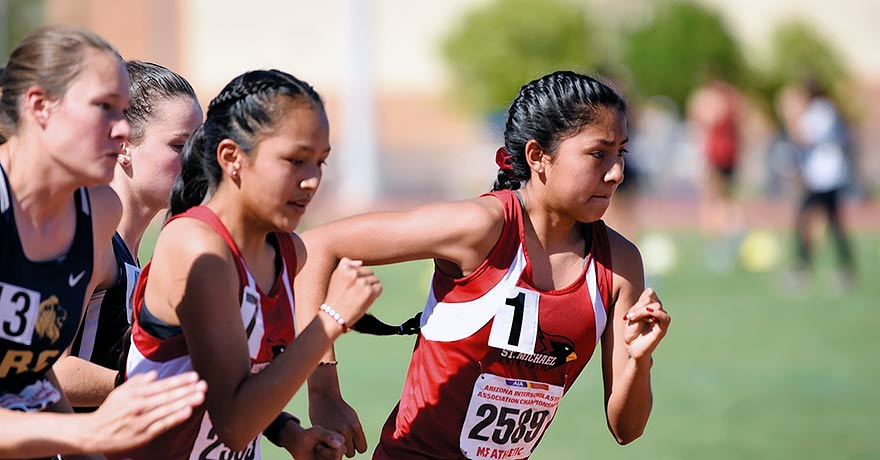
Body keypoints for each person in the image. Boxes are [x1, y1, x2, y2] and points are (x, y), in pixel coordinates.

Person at [297, 71, 671, 459]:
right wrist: (323, 391)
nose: (616, 173)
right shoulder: (483, 227)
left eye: (621, 153)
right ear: (537, 156)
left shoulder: (619, 262)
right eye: (598, 154)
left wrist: (639, 362)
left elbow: (626, 429)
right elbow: (316, 247)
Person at [110, 69, 382, 460]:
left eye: (320, 162)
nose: (312, 180)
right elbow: (234, 424)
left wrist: (289, 432)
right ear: (231, 157)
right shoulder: (194, 245)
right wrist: (330, 320)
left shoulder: (287, 251)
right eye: (295, 161)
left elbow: (239, 379)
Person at [0, 26, 205, 458]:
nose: (121, 130)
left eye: (125, 111)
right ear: (39, 106)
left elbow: (35, 375)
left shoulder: (93, 212)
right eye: (105, 109)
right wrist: (115, 402)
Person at [51, 60, 203, 409]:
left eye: (199, 146)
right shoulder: (92, 235)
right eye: (180, 146)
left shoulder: (133, 252)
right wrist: (157, 384)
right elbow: (51, 370)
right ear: (122, 146)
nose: (196, 163)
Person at [789, 80, 855, 289]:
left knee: (808, 220)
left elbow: (804, 137)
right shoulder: (826, 109)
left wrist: (790, 115)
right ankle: (843, 268)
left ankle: (804, 267)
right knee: (831, 222)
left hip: (824, 177)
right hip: (825, 175)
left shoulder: (819, 111)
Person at [686, 78, 743, 270]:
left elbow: (702, 121)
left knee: (714, 200)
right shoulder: (731, 103)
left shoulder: (716, 104)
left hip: (718, 156)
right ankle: (726, 237)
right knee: (722, 199)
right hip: (725, 156)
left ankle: (720, 242)